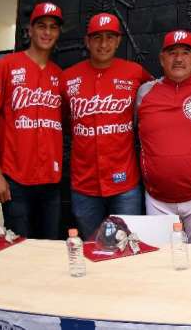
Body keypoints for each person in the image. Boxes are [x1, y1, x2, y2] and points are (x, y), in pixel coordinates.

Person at [61, 12, 153, 240]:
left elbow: (162, 92)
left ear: (118, 40)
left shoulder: (135, 72)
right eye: (97, 37)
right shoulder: (68, 78)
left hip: (125, 184)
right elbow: (62, 120)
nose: (103, 44)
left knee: (127, 246)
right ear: (87, 41)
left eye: (110, 37)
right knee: (93, 245)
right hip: (84, 184)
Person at [0, 2, 64, 239]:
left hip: (51, 180)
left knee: (49, 250)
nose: (47, 32)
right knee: (20, 250)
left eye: (52, 27)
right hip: (15, 180)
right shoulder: (7, 65)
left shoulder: (59, 75)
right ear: (30, 29)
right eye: (41, 26)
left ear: (58, 32)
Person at [136, 30, 191, 243]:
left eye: (185, 52)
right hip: (157, 198)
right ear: (162, 59)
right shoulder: (144, 92)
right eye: (172, 53)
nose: (179, 58)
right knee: (159, 264)